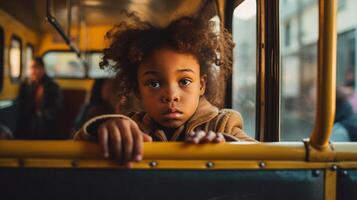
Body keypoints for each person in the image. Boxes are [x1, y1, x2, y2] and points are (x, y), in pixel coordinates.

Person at [74, 14, 255, 164]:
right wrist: (106, 128)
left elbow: (261, 159)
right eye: (154, 84)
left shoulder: (223, 124)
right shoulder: (132, 126)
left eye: (184, 81)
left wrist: (227, 147)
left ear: (201, 85)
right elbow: (75, 153)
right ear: (138, 90)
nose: (171, 96)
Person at [16, 57, 63, 139]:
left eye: (35, 67)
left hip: (46, 120)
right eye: (31, 68)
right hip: (28, 119)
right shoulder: (25, 85)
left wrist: (42, 114)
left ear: (42, 69)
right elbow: (22, 106)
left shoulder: (52, 86)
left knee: (39, 124)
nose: (32, 71)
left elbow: (56, 106)